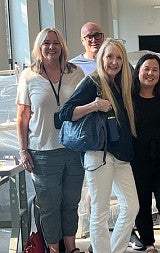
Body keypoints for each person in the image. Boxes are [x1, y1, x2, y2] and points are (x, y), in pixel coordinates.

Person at [59, 38, 139, 253]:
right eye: (109, 56)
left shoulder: (122, 84)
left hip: (121, 155)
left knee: (132, 207)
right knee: (100, 212)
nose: (114, 62)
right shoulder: (92, 82)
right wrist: (93, 106)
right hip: (98, 154)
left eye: (119, 57)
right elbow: (64, 114)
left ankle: (116, 250)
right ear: (101, 58)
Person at [16, 27, 85, 253]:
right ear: (39, 47)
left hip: (73, 149)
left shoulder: (76, 73)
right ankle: (53, 249)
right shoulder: (29, 76)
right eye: (46, 43)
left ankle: (71, 247)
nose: (51, 47)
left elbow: (85, 107)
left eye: (56, 43)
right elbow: (23, 117)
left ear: (62, 46)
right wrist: (23, 150)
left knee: (70, 203)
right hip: (42, 151)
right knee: (49, 206)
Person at [131, 53, 160, 253]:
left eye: (155, 69)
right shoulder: (129, 97)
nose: (150, 73)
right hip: (138, 157)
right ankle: (148, 242)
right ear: (138, 72)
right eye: (146, 69)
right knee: (141, 202)